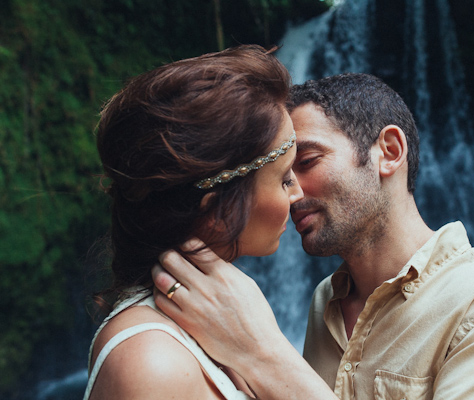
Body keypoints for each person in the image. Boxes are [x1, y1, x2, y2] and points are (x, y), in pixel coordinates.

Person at [153, 73, 474, 399]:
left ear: (390, 151)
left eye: (306, 161)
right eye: (279, 174)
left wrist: (263, 355)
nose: (289, 191)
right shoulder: (326, 300)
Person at [82, 45, 341, 400]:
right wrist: (267, 355)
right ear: (217, 211)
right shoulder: (153, 365)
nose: (298, 194)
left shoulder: (224, 320)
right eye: (284, 179)